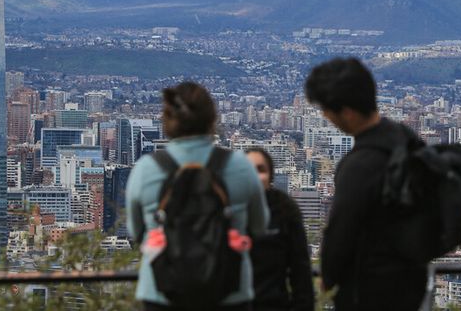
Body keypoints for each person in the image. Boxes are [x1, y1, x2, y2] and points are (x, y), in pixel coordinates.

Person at [126, 81, 269, 310]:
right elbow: (259, 226)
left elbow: (136, 232)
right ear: (212, 119)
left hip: (162, 291)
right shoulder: (241, 166)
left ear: (167, 121)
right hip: (228, 291)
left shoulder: (146, 169)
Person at [305, 57, 428, 311]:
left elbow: (341, 230)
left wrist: (328, 276)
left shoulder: (359, 165)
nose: (326, 116)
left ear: (347, 112)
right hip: (411, 280)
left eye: (327, 110)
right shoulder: (405, 138)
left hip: (368, 290)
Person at [246, 148, 315, 311]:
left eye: (261, 169)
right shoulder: (230, 209)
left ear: (271, 176)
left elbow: (301, 269)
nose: (255, 176)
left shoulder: (284, 208)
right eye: (249, 170)